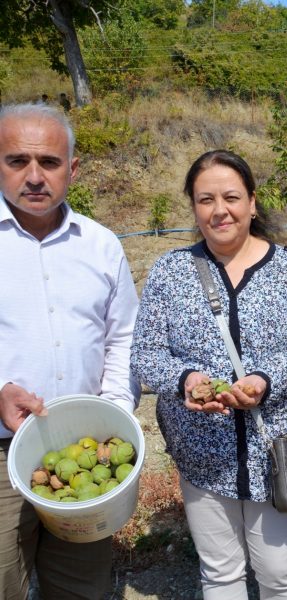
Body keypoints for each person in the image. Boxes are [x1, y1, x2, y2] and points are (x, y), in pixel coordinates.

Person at [131, 150, 287, 599]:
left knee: (279, 571)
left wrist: (264, 379)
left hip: (276, 451)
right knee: (220, 571)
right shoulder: (170, 271)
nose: (220, 210)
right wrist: (186, 379)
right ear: (194, 207)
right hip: (202, 451)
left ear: (253, 203)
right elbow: (145, 352)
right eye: (206, 199)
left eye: (231, 197)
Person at [0, 102, 140, 599]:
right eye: (18, 161)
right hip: (2, 454)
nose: (34, 176)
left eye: (50, 163)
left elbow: (123, 337)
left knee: (81, 588)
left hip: (86, 458)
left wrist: (115, 413)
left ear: (72, 169)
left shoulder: (100, 245)